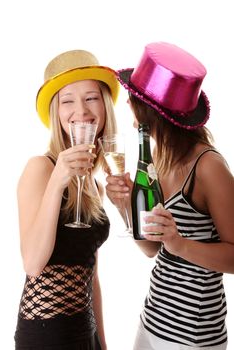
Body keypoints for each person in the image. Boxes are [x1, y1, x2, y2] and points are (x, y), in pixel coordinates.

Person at [106, 41, 234, 349]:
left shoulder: (207, 167)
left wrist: (180, 244)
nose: (127, 105)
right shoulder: (157, 157)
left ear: (152, 113)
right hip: (152, 319)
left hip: (193, 336)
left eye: (133, 98)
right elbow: (151, 248)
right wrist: (125, 206)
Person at [14, 49, 119, 350]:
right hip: (46, 334)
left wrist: (102, 342)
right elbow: (33, 263)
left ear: (104, 106)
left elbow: (91, 275)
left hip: (84, 330)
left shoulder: (95, 187)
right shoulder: (40, 168)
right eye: (67, 100)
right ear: (56, 112)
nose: (81, 110)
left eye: (91, 97)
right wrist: (58, 179)